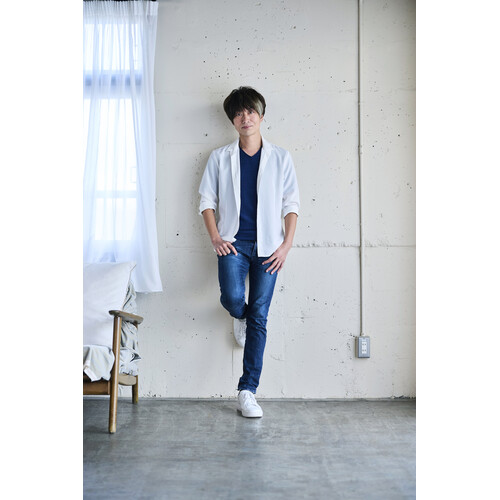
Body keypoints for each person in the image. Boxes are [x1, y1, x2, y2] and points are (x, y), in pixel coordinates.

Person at [199, 86, 300, 418]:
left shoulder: (281, 158)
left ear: (261, 115)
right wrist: (215, 237)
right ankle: (238, 316)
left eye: (251, 111)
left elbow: (291, 205)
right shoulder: (219, 158)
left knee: (260, 315)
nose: (245, 118)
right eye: (239, 113)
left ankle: (248, 391)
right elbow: (206, 201)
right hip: (233, 243)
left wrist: (286, 246)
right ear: (233, 120)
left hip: (270, 248)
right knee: (232, 297)